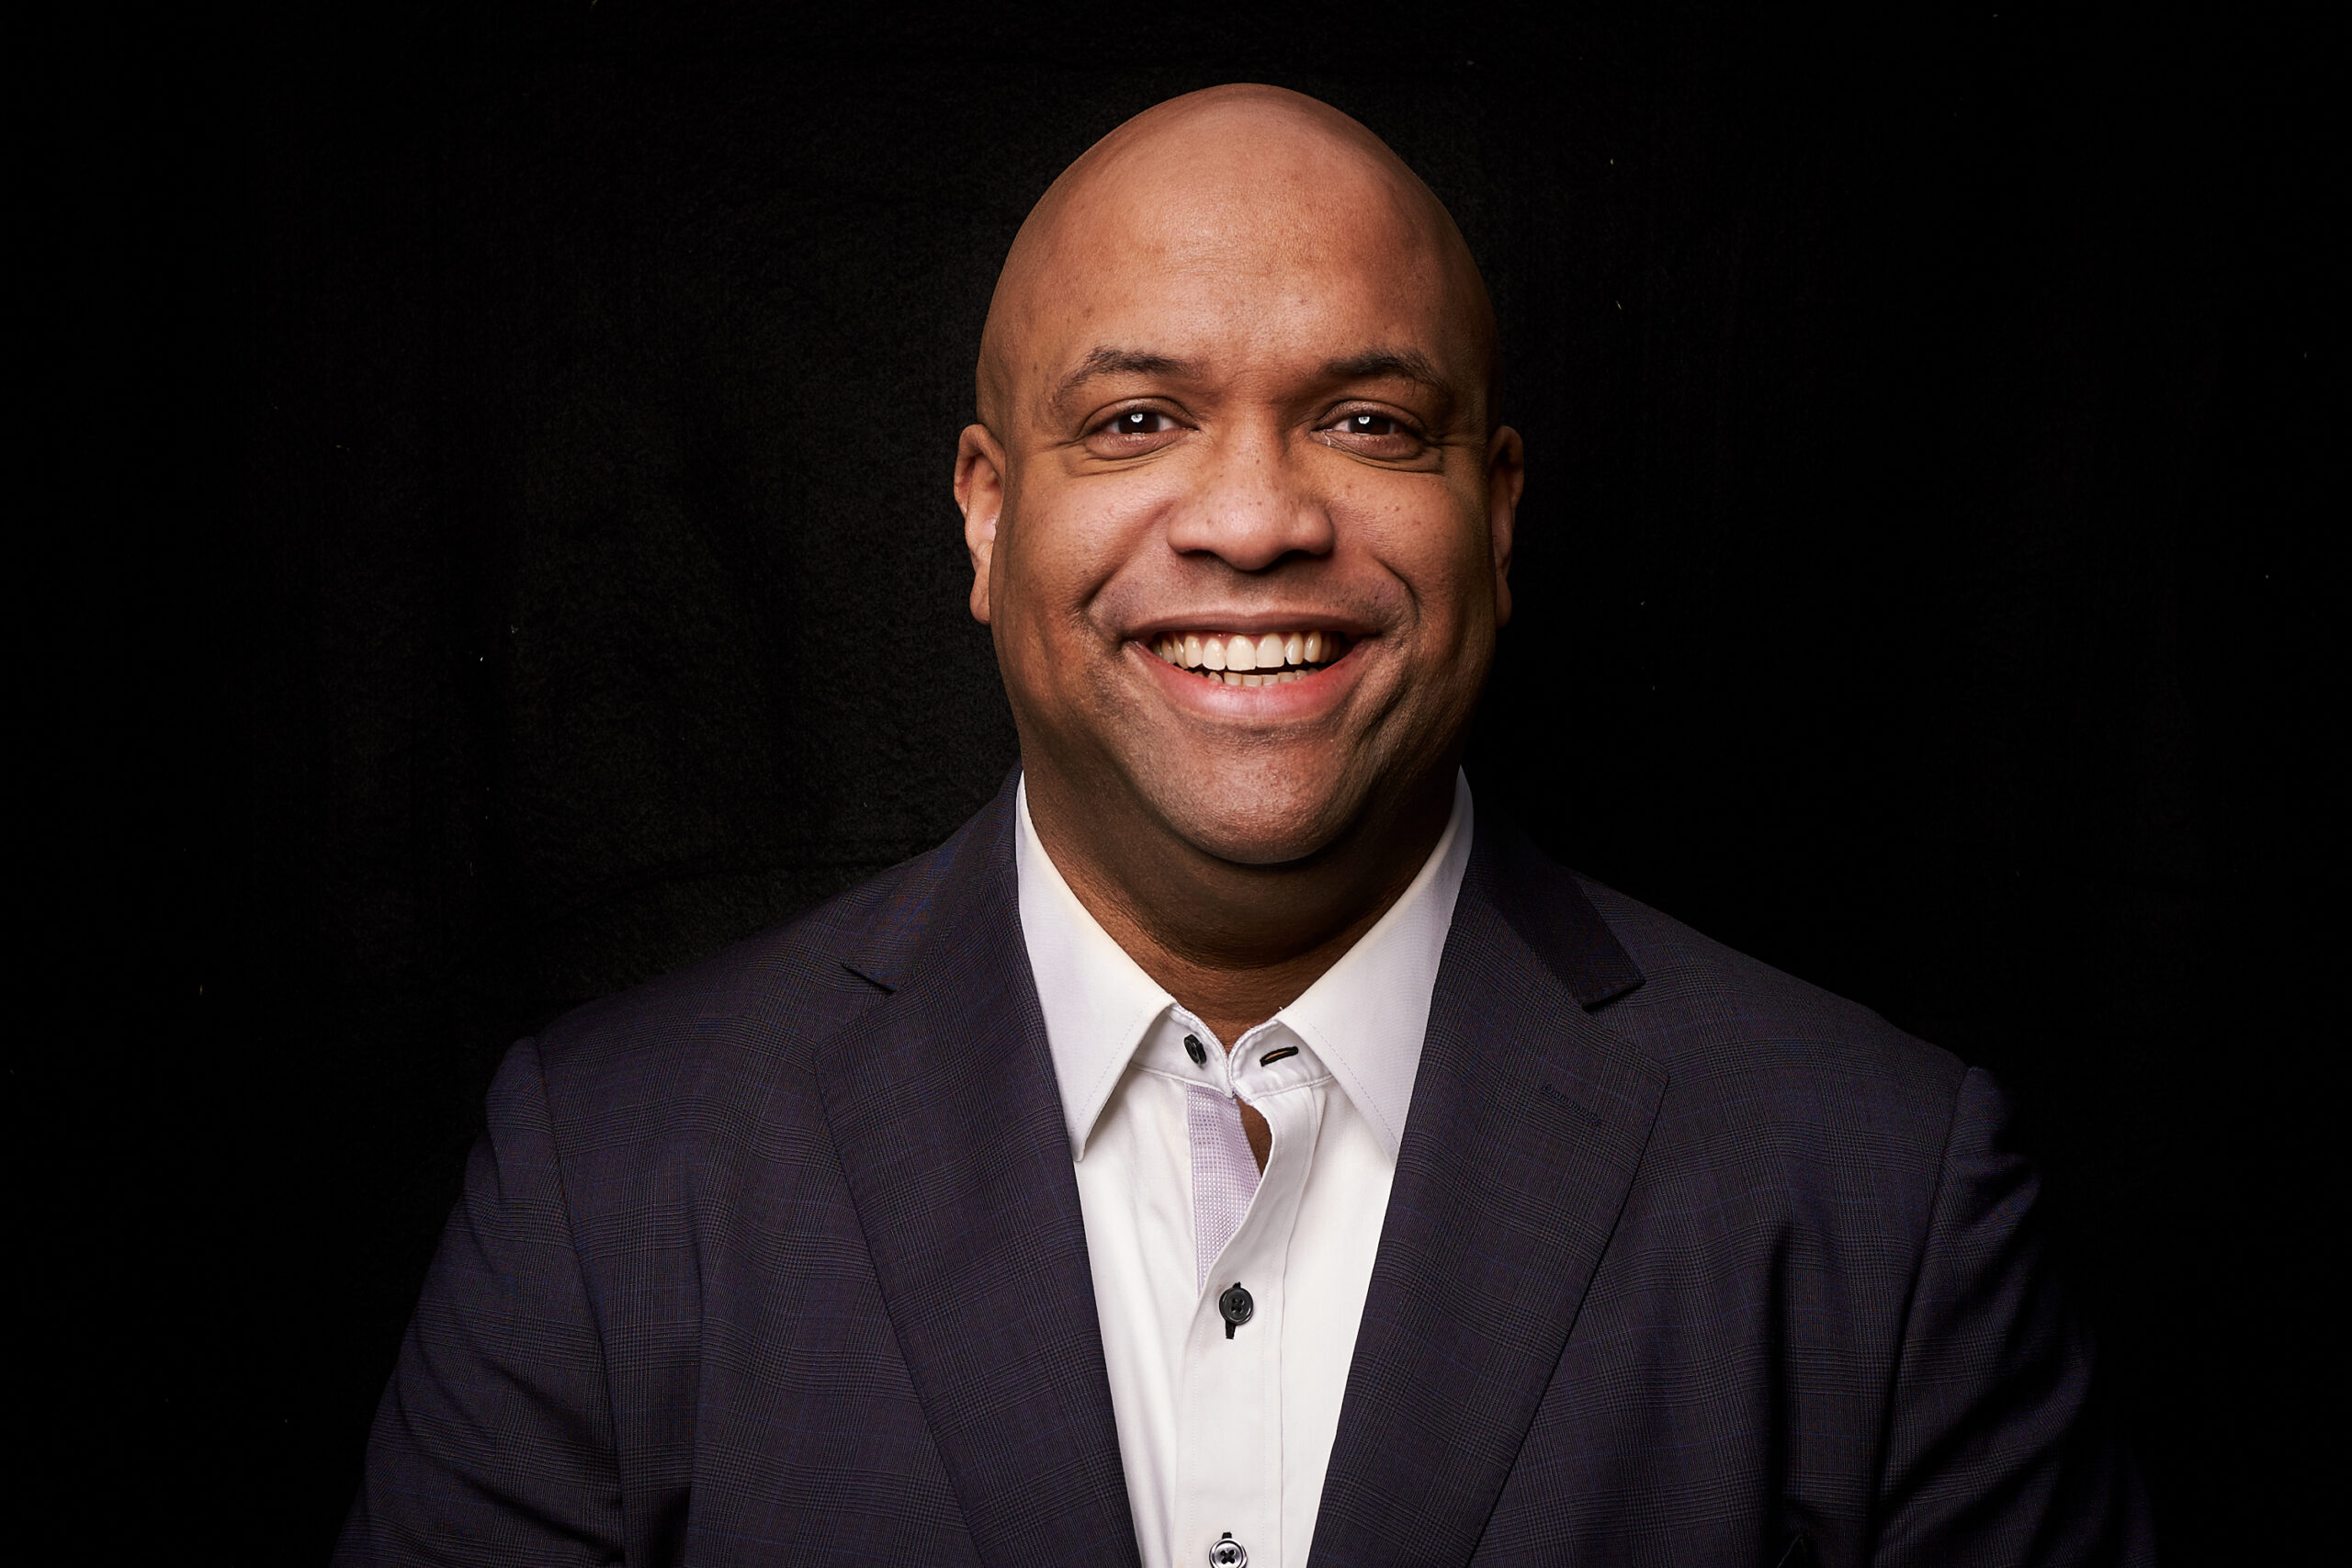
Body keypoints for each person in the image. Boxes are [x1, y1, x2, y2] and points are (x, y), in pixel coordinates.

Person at [335, 85, 2151, 1567]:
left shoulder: (1873, 1193)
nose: (1254, 517)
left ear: (1493, 512)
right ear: (984, 515)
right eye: (1135, 418)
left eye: (1364, 417)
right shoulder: (610, 1173)